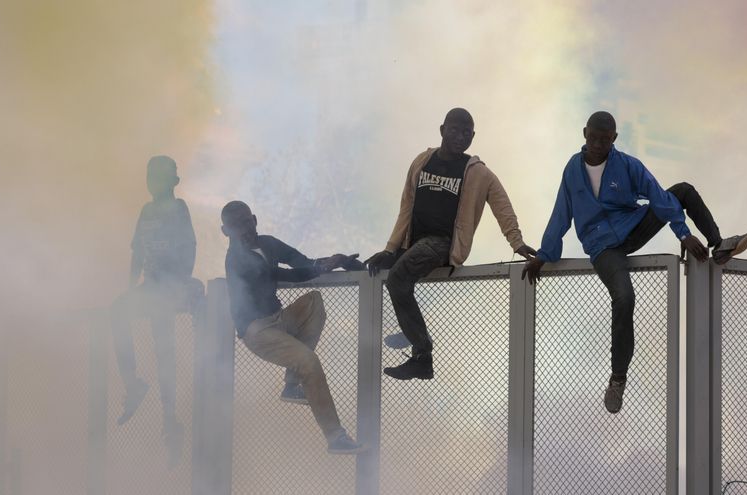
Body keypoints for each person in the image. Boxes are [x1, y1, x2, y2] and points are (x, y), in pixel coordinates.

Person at [523, 111, 747, 413]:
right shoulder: (572, 170)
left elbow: (658, 197)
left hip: (632, 227)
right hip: (602, 246)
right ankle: (618, 378)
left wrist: (683, 233)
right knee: (624, 297)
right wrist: (544, 255)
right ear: (584, 133)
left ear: (614, 139)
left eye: (605, 140)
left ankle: (719, 244)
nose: (598, 144)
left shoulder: (627, 165)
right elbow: (561, 214)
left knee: (681, 191)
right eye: (593, 138)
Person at [366, 108, 537, 380]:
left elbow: (502, 206)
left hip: (443, 243)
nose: (460, 137)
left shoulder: (479, 173)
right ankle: (412, 330)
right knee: (374, 267)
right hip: (413, 242)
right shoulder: (422, 161)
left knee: (398, 278)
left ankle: (422, 356)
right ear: (442, 130)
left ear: (473, 136)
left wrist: (516, 242)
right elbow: (406, 207)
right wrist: (390, 248)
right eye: (455, 130)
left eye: (466, 133)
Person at [221, 200, 366, 455]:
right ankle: (335, 437)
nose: (243, 230)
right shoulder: (235, 259)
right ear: (226, 232)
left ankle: (292, 384)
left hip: (278, 318)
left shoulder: (268, 243)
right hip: (258, 331)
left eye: (246, 222)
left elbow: (302, 263)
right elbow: (286, 275)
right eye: (236, 227)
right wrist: (324, 266)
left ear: (254, 220)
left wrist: (336, 260)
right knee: (309, 362)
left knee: (314, 302)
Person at [111, 155, 202, 467]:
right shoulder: (146, 211)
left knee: (165, 351)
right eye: (149, 175)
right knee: (118, 311)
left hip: (170, 287)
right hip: (150, 288)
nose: (152, 181)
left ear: (172, 181)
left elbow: (190, 248)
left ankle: (170, 421)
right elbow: (137, 253)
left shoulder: (179, 208)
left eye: (158, 175)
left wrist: (177, 283)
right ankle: (133, 384)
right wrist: (130, 288)